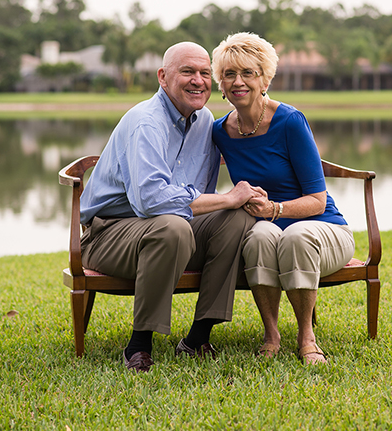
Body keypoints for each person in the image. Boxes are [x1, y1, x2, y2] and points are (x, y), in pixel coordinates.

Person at [80, 42, 261, 373]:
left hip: (170, 231)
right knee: (175, 225)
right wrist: (226, 197)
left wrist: (239, 199)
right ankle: (138, 345)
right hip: (108, 235)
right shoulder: (145, 122)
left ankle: (197, 338)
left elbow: (198, 199)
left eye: (205, 73)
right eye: (187, 72)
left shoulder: (205, 121)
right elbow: (150, 201)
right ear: (163, 77)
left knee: (236, 216)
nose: (198, 80)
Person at [211, 32, 354, 365]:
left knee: (297, 235)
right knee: (259, 235)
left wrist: (276, 208)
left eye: (248, 73)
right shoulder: (221, 131)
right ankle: (271, 334)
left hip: (321, 228)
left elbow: (318, 200)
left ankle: (306, 337)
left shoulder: (289, 121)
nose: (238, 82)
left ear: (265, 79)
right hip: (268, 231)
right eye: (229, 74)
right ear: (221, 83)